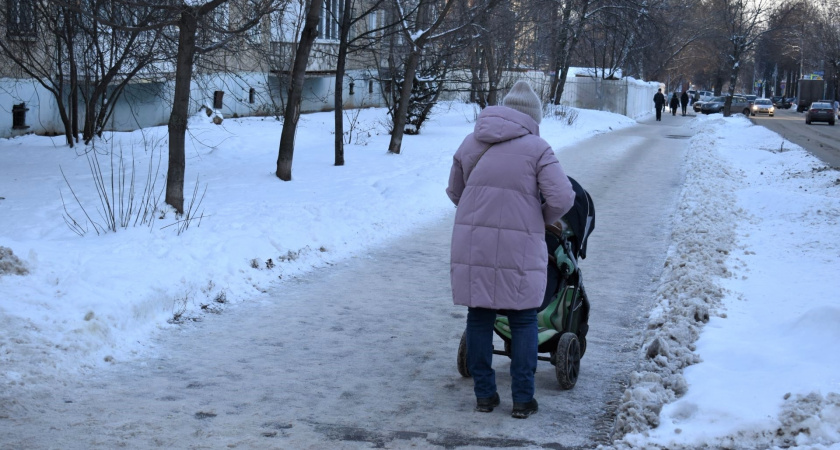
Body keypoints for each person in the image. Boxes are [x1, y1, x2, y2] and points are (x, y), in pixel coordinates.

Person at [446, 80, 575, 419]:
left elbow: (455, 192)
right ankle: (522, 399)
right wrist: (538, 217)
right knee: (523, 318)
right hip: (521, 247)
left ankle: (484, 396)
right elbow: (563, 198)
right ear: (533, 117)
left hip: (474, 244)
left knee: (479, 316)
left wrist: (479, 214)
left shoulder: (470, 142)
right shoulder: (538, 149)